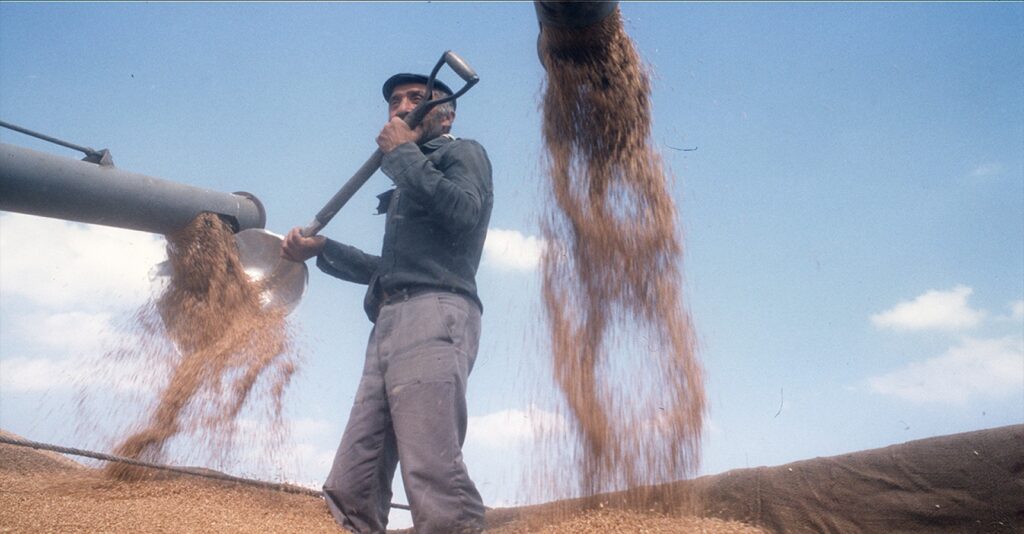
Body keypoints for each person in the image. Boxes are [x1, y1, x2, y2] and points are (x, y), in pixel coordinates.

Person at [281, 72, 492, 533]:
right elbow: (393, 268)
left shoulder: (462, 153)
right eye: (394, 101)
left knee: (430, 463)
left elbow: (464, 213)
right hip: (391, 315)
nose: (400, 107)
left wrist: (401, 154)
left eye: (416, 98)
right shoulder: (407, 175)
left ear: (446, 112)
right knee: (356, 473)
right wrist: (326, 249)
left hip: (436, 310)